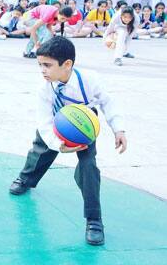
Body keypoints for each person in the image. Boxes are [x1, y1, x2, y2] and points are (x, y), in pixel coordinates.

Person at [9, 36, 127, 246]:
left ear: (67, 64)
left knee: (88, 167)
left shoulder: (90, 79)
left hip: (83, 123)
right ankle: (25, 179)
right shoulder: (44, 89)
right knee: (40, 150)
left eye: (47, 65)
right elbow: (44, 123)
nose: (42, 70)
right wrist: (57, 144)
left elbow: (108, 103)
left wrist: (119, 129)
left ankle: (94, 220)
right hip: (56, 120)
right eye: (40, 65)